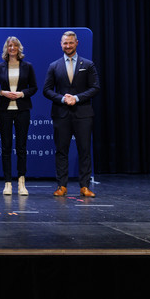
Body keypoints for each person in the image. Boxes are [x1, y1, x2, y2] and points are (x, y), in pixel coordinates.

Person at [43, 31, 100, 197]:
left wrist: (76, 98)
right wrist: (62, 99)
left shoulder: (88, 65)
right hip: (61, 114)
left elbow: (95, 88)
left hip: (83, 114)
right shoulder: (54, 66)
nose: (67, 46)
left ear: (76, 43)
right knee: (61, 151)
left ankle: (85, 186)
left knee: (84, 150)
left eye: (70, 43)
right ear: (61, 44)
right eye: (65, 43)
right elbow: (46, 90)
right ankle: (62, 186)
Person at [0, 37, 38, 196]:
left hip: (22, 110)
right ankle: (7, 183)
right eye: (9, 46)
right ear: (6, 48)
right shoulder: (0, 67)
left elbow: (34, 87)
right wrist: (3, 93)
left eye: (15, 45)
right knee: (5, 147)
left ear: (19, 48)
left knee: (21, 147)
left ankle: (21, 182)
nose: (12, 48)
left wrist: (21, 93)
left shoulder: (28, 66)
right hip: (4, 110)